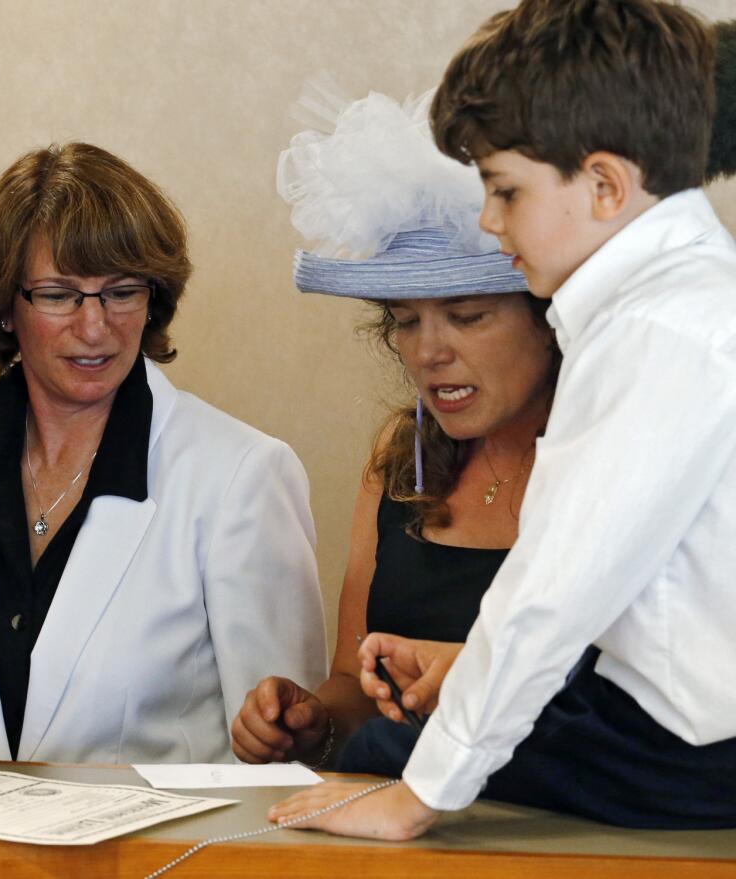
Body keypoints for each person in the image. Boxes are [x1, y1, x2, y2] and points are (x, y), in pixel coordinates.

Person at [270, 0, 736, 837]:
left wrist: (420, 794)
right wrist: (463, 666)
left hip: (694, 758)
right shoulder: (684, 306)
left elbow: (553, 588)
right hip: (671, 729)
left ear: (603, 185)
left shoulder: (655, 334)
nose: (488, 221)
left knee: (385, 754)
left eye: (505, 190)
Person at [0, 142, 328, 764]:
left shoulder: (243, 475)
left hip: (153, 860)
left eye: (121, 291)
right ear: (5, 308)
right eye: (59, 294)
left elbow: (281, 757)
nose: (95, 327)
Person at [231, 89, 558, 767]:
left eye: (465, 314)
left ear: (549, 315)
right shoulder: (401, 456)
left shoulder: (617, 454)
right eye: (406, 320)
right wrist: (312, 720)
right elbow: (357, 687)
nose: (428, 352)